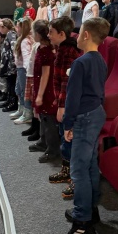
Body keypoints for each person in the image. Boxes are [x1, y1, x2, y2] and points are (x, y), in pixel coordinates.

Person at [55, 17, 110, 234]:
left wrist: (68, 124)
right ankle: (90, 208)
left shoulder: (80, 63)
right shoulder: (100, 60)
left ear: (86, 35)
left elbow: (72, 98)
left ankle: (82, 224)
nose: (76, 37)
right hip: (96, 113)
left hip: (83, 118)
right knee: (89, 166)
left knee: (78, 171)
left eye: (79, 34)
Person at [48, 16, 82, 196]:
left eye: (51, 32)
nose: (48, 35)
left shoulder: (69, 51)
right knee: (64, 138)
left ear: (62, 34)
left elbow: (66, 82)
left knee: (70, 140)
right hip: (64, 102)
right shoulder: (62, 48)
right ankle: (66, 170)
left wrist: (62, 106)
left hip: (69, 105)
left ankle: (76, 179)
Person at [30, 19, 59, 163]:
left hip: (46, 90)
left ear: (38, 34)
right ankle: (43, 141)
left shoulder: (47, 51)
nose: (31, 34)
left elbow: (46, 74)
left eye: (33, 32)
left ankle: (52, 150)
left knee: (48, 119)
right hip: (40, 86)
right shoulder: (41, 48)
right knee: (42, 116)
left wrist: (40, 95)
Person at [11, 17, 34, 123]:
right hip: (20, 68)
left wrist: (27, 70)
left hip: (24, 70)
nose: (16, 28)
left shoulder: (25, 40)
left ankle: (27, 113)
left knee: (25, 91)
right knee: (19, 90)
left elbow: (26, 56)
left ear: (22, 28)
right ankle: (21, 109)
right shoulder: (23, 39)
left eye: (18, 26)